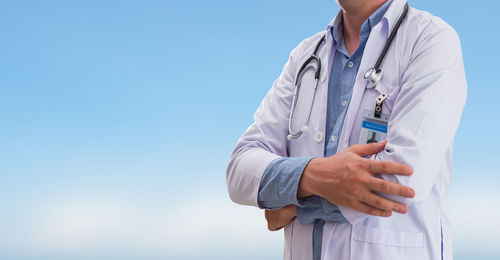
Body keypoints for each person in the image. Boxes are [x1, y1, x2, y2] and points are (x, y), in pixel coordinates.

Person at [226, 0, 466, 259]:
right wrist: (314, 175)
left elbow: (402, 180)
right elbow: (241, 169)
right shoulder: (306, 55)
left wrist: (295, 205)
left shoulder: (431, 41)